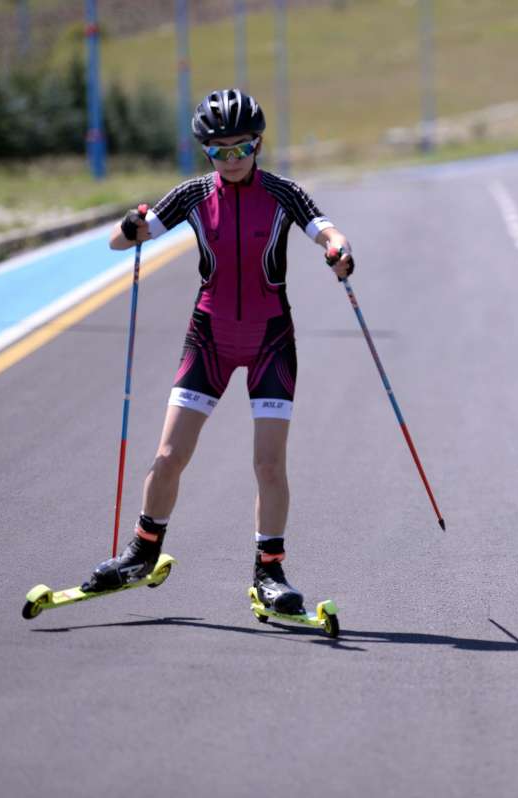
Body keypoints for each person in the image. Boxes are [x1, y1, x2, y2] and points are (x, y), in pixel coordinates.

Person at [84, 89, 354, 615]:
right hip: (207, 337)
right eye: (219, 151)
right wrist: (130, 224)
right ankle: (142, 552)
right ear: (205, 151)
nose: (231, 160)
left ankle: (270, 572)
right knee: (168, 456)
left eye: (242, 148)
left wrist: (338, 250)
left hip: (270, 340)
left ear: (258, 143)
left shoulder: (283, 193)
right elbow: (122, 242)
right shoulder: (190, 195)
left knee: (269, 465)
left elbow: (326, 230)